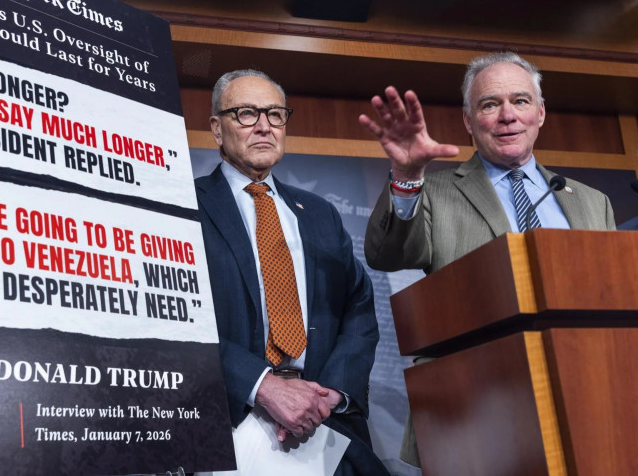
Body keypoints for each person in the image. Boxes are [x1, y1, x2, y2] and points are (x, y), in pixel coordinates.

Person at [359, 51, 616, 465]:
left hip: (585, 399)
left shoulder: (592, 202)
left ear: (540, 113)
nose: (507, 116)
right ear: (469, 120)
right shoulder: (435, 192)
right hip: (471, 413)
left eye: (520, 101)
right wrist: (406, 178)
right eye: (490, 104)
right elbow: (385, 254)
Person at [196, 69, 389, 476]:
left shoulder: (320, 213)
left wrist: (330, 392)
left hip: (322, 427)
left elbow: (358, 305)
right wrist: (260, 385)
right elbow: (173, 318)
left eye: (275, 114)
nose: (264, 126)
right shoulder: (185, 205)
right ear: (216, 128)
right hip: (223, 419)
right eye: (246, 113)